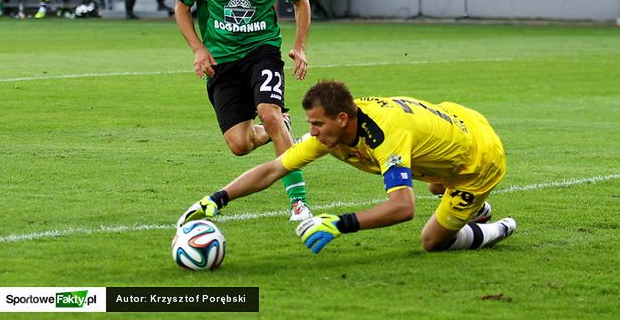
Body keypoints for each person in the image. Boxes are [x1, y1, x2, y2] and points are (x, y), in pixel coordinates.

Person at [178, 80, 517, 254]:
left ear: (342, 119)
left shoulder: (384, 136)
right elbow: (273, 169)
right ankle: (472, 207)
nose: (310, 132)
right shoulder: (333, 133)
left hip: (477, 159)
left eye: (316, 124)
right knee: (435, 186)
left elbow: (402, 207)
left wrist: (340, 224)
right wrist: (217, 199)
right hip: (454, 126)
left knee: (432, 241)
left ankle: (497, 227)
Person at [173, 0, 313, 222]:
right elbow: (181, 6)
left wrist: (299, 44)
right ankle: (277, 127)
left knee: (268, 112)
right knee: (239, 144)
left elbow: (301, 1)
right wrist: (198, 49)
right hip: (221, 59)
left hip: (261, 50)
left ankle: (299, 203)